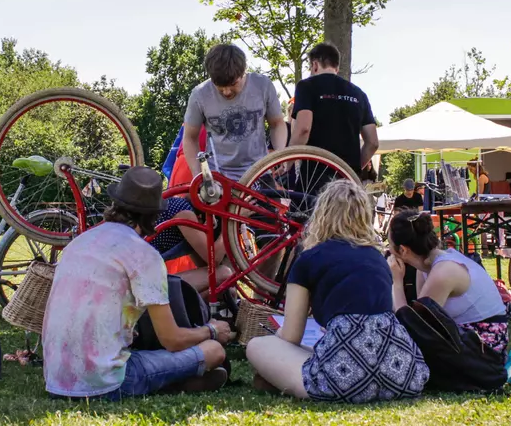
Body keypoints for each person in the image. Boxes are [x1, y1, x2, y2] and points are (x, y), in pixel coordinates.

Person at [42, 167, 234, 400]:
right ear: (154, 215)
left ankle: (174, 378)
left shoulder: (80, 242)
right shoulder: (143, 254)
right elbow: (172, 340)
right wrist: (212, 330)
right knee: (213, 351)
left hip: (56, 379)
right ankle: (172, 381)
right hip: (106, 383)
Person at [245, 179, 427, 401]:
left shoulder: (309, 259)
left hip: (343, 379)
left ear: (321, 214)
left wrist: (276, 342)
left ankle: (280, 377)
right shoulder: (377, 258)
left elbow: (291, 335)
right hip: (402, 375)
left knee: (257, 345)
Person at [387, 210, 509, 356]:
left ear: (402, 249)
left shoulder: (443, 272)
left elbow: (414, 329)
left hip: (485, 353)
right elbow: (422, 318)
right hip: (471, 339)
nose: (388, 251)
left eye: (389, 245)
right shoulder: (427, 265)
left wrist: (396, 282)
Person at [182, 44, 287, 181]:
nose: (226, 92)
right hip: (218, 175)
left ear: (244, 72)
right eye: (219, 86)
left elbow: (277, 123)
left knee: (272, 203)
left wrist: (279, 154)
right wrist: (199, 176)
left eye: (233, 84)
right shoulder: (200, 95)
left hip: (259, 171)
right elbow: (190, 137)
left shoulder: (262, 85)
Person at [289, 43, 378, 176]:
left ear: (314, 65)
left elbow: (303, 129)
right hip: (347, 180)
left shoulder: (306, 86)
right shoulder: (359, 94)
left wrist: (287, 161)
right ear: (337, 67)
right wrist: (352, 170)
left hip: (315, 176)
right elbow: (372, 142)